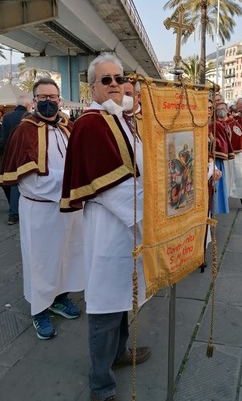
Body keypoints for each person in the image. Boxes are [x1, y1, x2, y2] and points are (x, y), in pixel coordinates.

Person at [60, 53, 151, 401]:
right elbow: (113, 187)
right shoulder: (92, 123)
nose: (115, 84)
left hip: (130, 225)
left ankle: (119, 353)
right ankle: (101, 384)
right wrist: (153, 217)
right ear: (92, 86)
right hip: (110, 227)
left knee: (124, 297)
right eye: (107, 80)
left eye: (119, 77)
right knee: (105, 306)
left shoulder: (125, 119)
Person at [0, 78, 84, 340]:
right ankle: (39, 310)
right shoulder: (24, 131)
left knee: (67, 255)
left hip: (69, 209)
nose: (48, 101)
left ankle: (60, 298)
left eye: (53, 97)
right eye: (43, 97)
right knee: (41, 260)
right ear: (34, 101)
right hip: (40, 210)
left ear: (60, 100)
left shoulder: (69, 127)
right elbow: (29, 182)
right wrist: (71, 181)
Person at [216, 102, 242, 213]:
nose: (221, 111)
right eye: (218, 109)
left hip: (234, 157)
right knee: (221, 181)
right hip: (221, 158)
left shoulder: (233, 123)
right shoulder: (214, 125)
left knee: (240, 179)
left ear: (227, 110)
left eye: (223, 108)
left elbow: (240, 136)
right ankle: (219, 204)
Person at [0, 95, 33, 225]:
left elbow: (3, 139)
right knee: (27, 181)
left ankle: (13, 214)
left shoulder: (7, 117)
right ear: (28, 105)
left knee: (14, 183)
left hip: (11, 154)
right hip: (27, 154)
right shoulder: (31, 117)